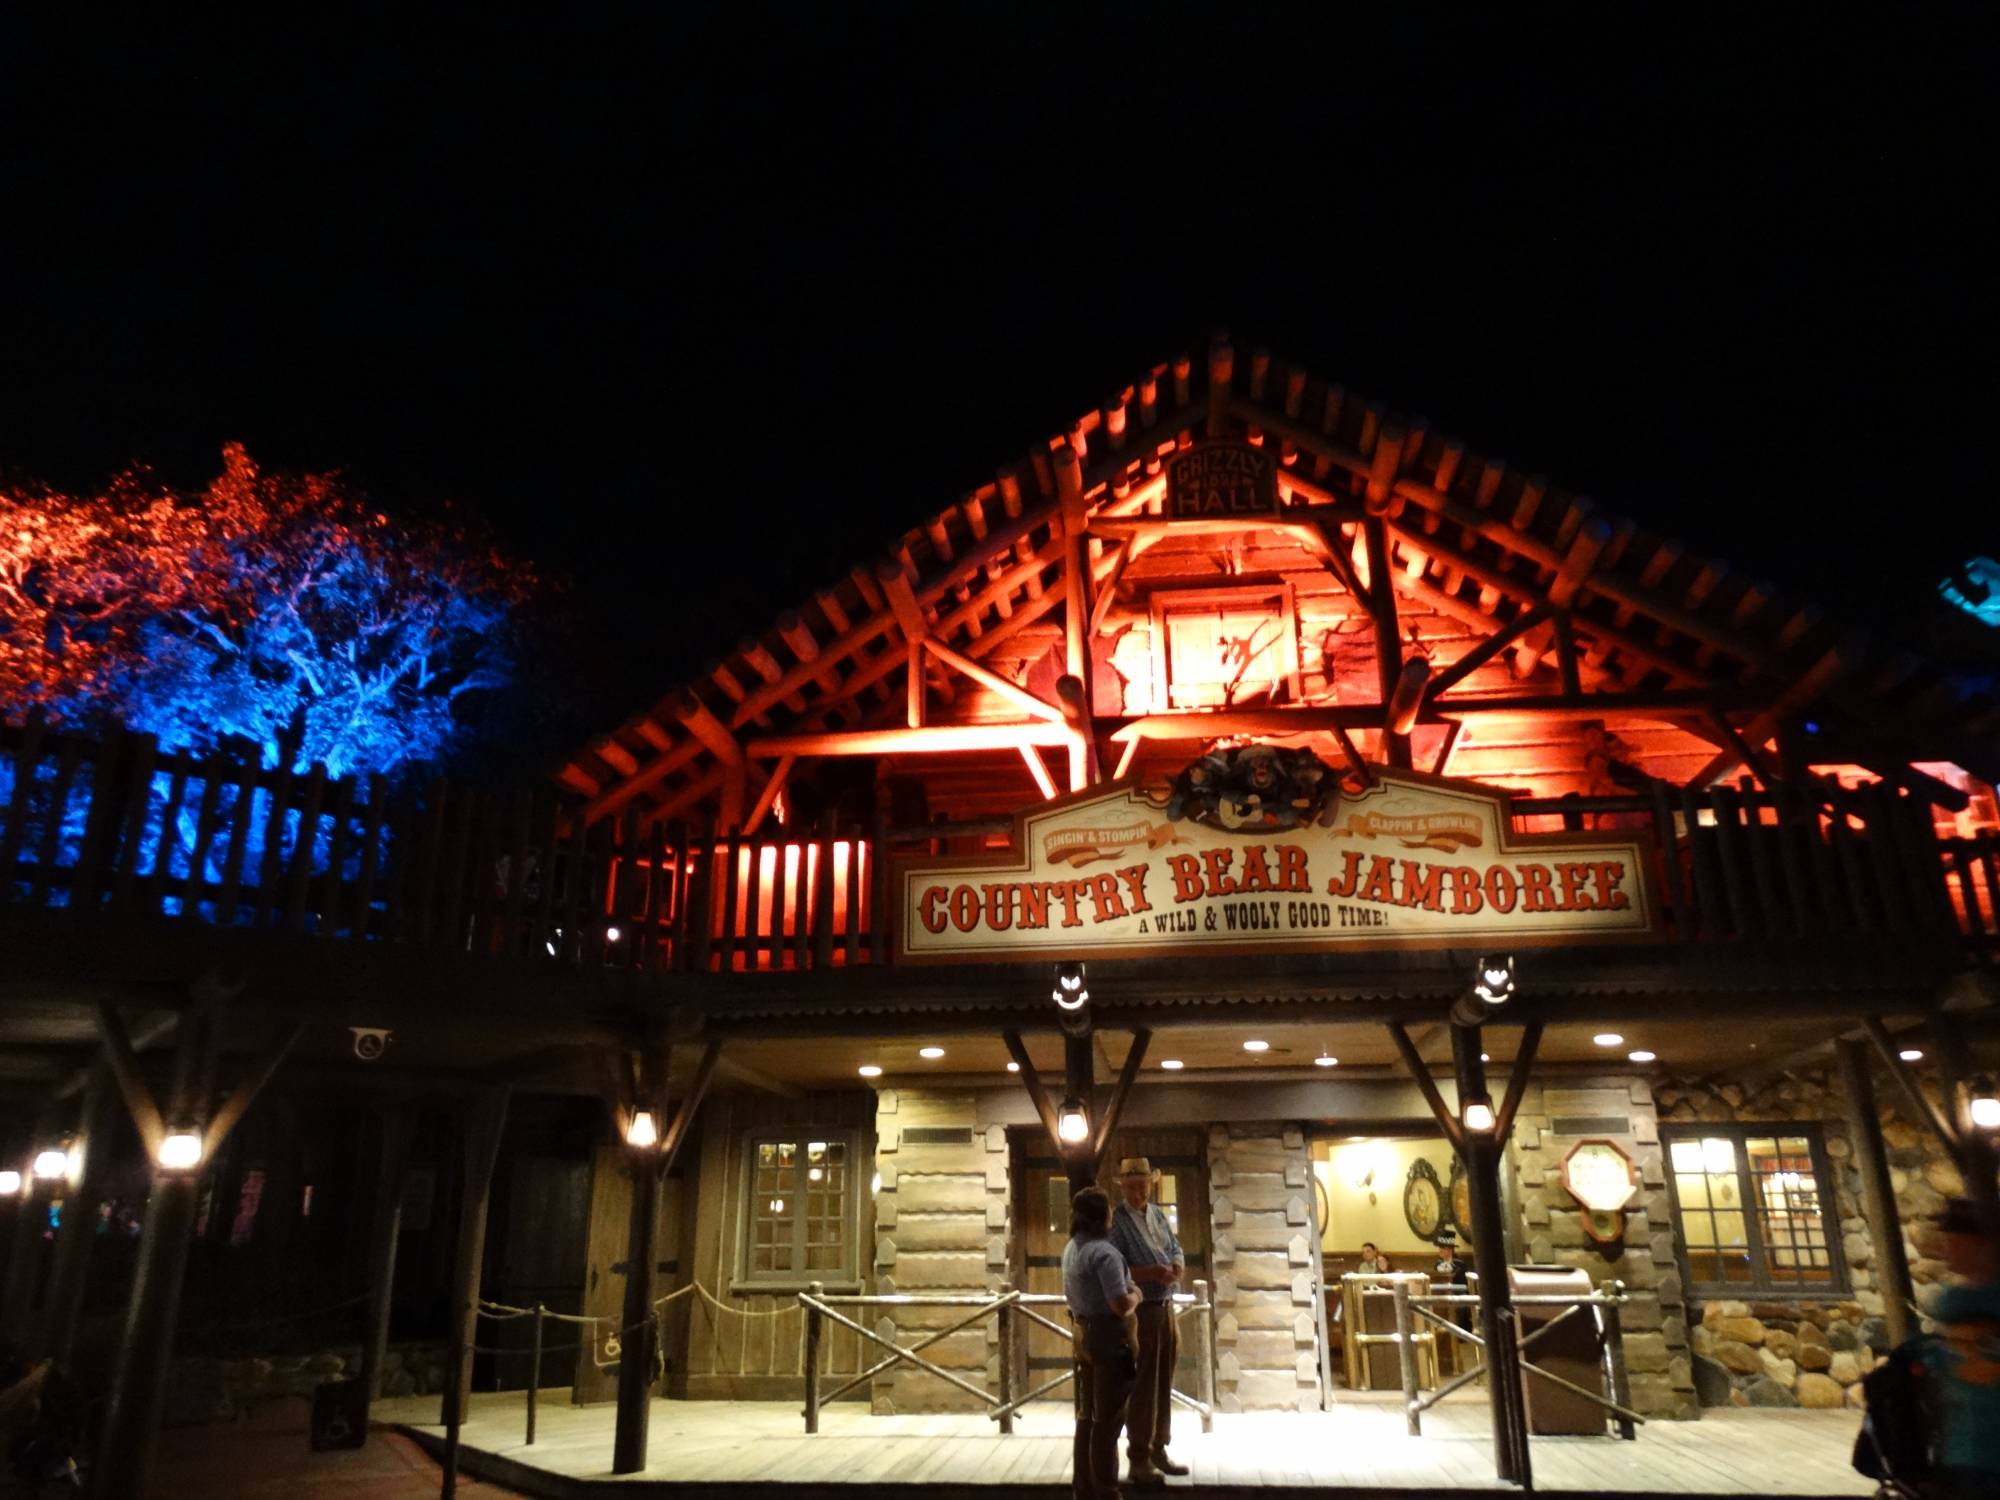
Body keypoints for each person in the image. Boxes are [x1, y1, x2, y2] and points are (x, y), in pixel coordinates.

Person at [1107, 1158, 1188, 1486]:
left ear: (1151, 1185)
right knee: (1144, 1385)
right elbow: (1116, 1266)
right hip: (1141, 1310)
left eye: (1144, 1185)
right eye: (1133, 1185)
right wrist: (1152, 1272)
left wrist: (1177, 1265)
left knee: (1163, 1381)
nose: (1140, 1190)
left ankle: (1158, 1448)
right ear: (1123, 1187)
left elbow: (1175, 1246)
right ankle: (1138, 1457)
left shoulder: (1157, 1215)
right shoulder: (1118, 1221)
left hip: (1165, 1304)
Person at [1063, 1185, 1140, 1500]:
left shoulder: (1072, 1248)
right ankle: (1106, 1489)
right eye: (1109, 1209)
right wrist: (1136, 1294)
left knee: (1086, 1415)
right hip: (1108, 1335)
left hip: (1082, 1333)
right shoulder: (1105, 1253)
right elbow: (1119, 1304)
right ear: (1102, 1216)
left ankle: (1083, 1486)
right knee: (1108, 1419)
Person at [1924, 1197, 2000, 1496]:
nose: (1947, 1249)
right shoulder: (1950, 1299)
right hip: (1963, 1447)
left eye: (1955, 1241)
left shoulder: (1982, 1299)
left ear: (1981, 1245)